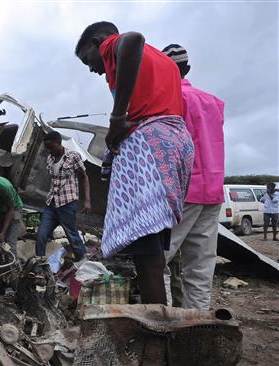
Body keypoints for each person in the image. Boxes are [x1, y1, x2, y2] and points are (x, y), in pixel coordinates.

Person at [75, 22, 194, 304]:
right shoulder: (163, 61)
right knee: (151, 253)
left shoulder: (115, 44)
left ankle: (156, 331)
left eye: (86, 60)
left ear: (98, 42)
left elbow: (132, 39)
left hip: (150, 150)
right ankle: (158, 321)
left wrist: (117, 117)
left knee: (146, 257)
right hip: (173, 144)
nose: (91, 69)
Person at [161, 44, 225, 310]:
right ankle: (194, 329)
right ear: (187, 69)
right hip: (213, 190)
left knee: (157, 260)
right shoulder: (213, 102)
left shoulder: (169, 101)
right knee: (200, 267)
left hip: (182, 192)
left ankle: (160, 322)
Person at [35, 131, 90, 261]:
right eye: (47, 148)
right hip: (52, 202)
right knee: (42, 234)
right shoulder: (50, 158)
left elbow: (84, 177)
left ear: (59, 143)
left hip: (67, 202)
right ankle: (39, 263)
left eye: (51, 147)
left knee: (71, 234)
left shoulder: (73, 156)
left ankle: (83, 260)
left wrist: (87, 200)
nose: (49, 151)